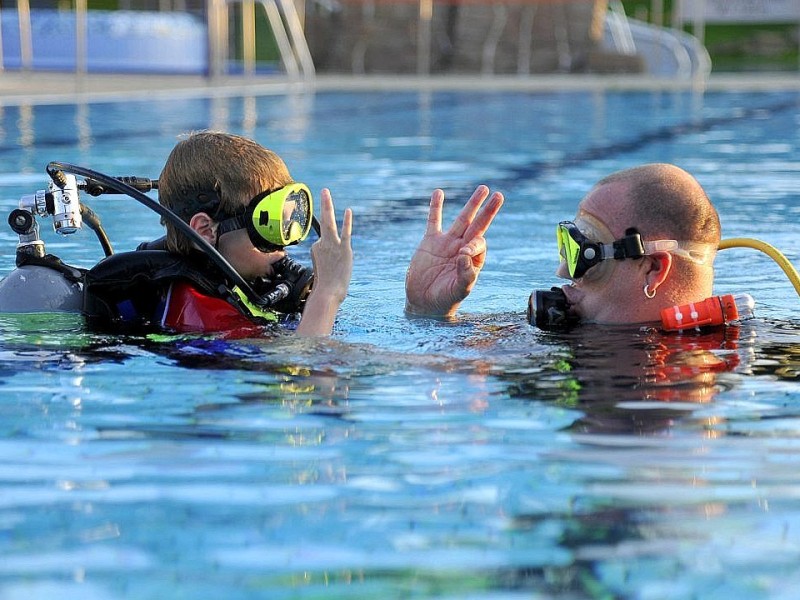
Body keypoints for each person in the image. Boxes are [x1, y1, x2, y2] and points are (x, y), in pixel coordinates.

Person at [85, 131, 353, 337]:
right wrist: (327, 295)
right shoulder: (201, 313)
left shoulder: (236, 284)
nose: (284, 245)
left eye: (289, 224)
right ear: (205, 231)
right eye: (268, 226)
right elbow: (306, 370)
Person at [405, 164, 719, 326]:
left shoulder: (741, 355)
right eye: (566, 245)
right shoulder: (557, 331)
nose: (563, 272)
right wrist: (426, 309)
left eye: (585, 253)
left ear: (652, 269)